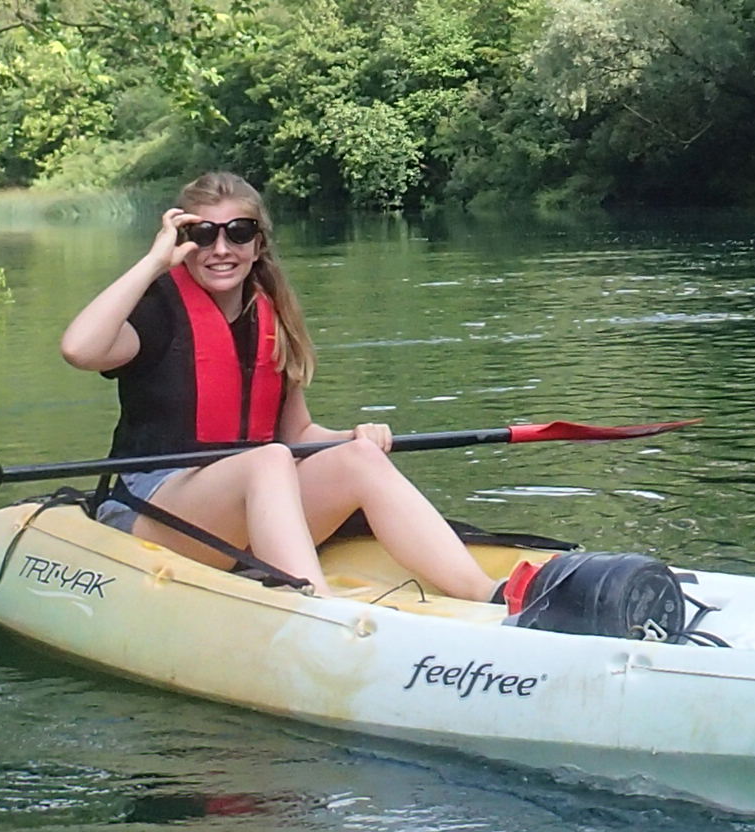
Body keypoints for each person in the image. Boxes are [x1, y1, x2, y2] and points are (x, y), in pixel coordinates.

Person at [57, 171, 497, 601]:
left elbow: (298, 434)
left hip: (246, 504)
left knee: (356, 458)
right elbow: (79, 349)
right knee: (268, 460)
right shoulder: (156, 313)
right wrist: (154, 261)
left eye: (239, 232)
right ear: (183, 242)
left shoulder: (271, 319)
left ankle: (488, 595)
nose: (222, 249)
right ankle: (313, 602)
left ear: (259, 242)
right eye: (204, 235)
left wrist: (351, 437)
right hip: (151, 508)